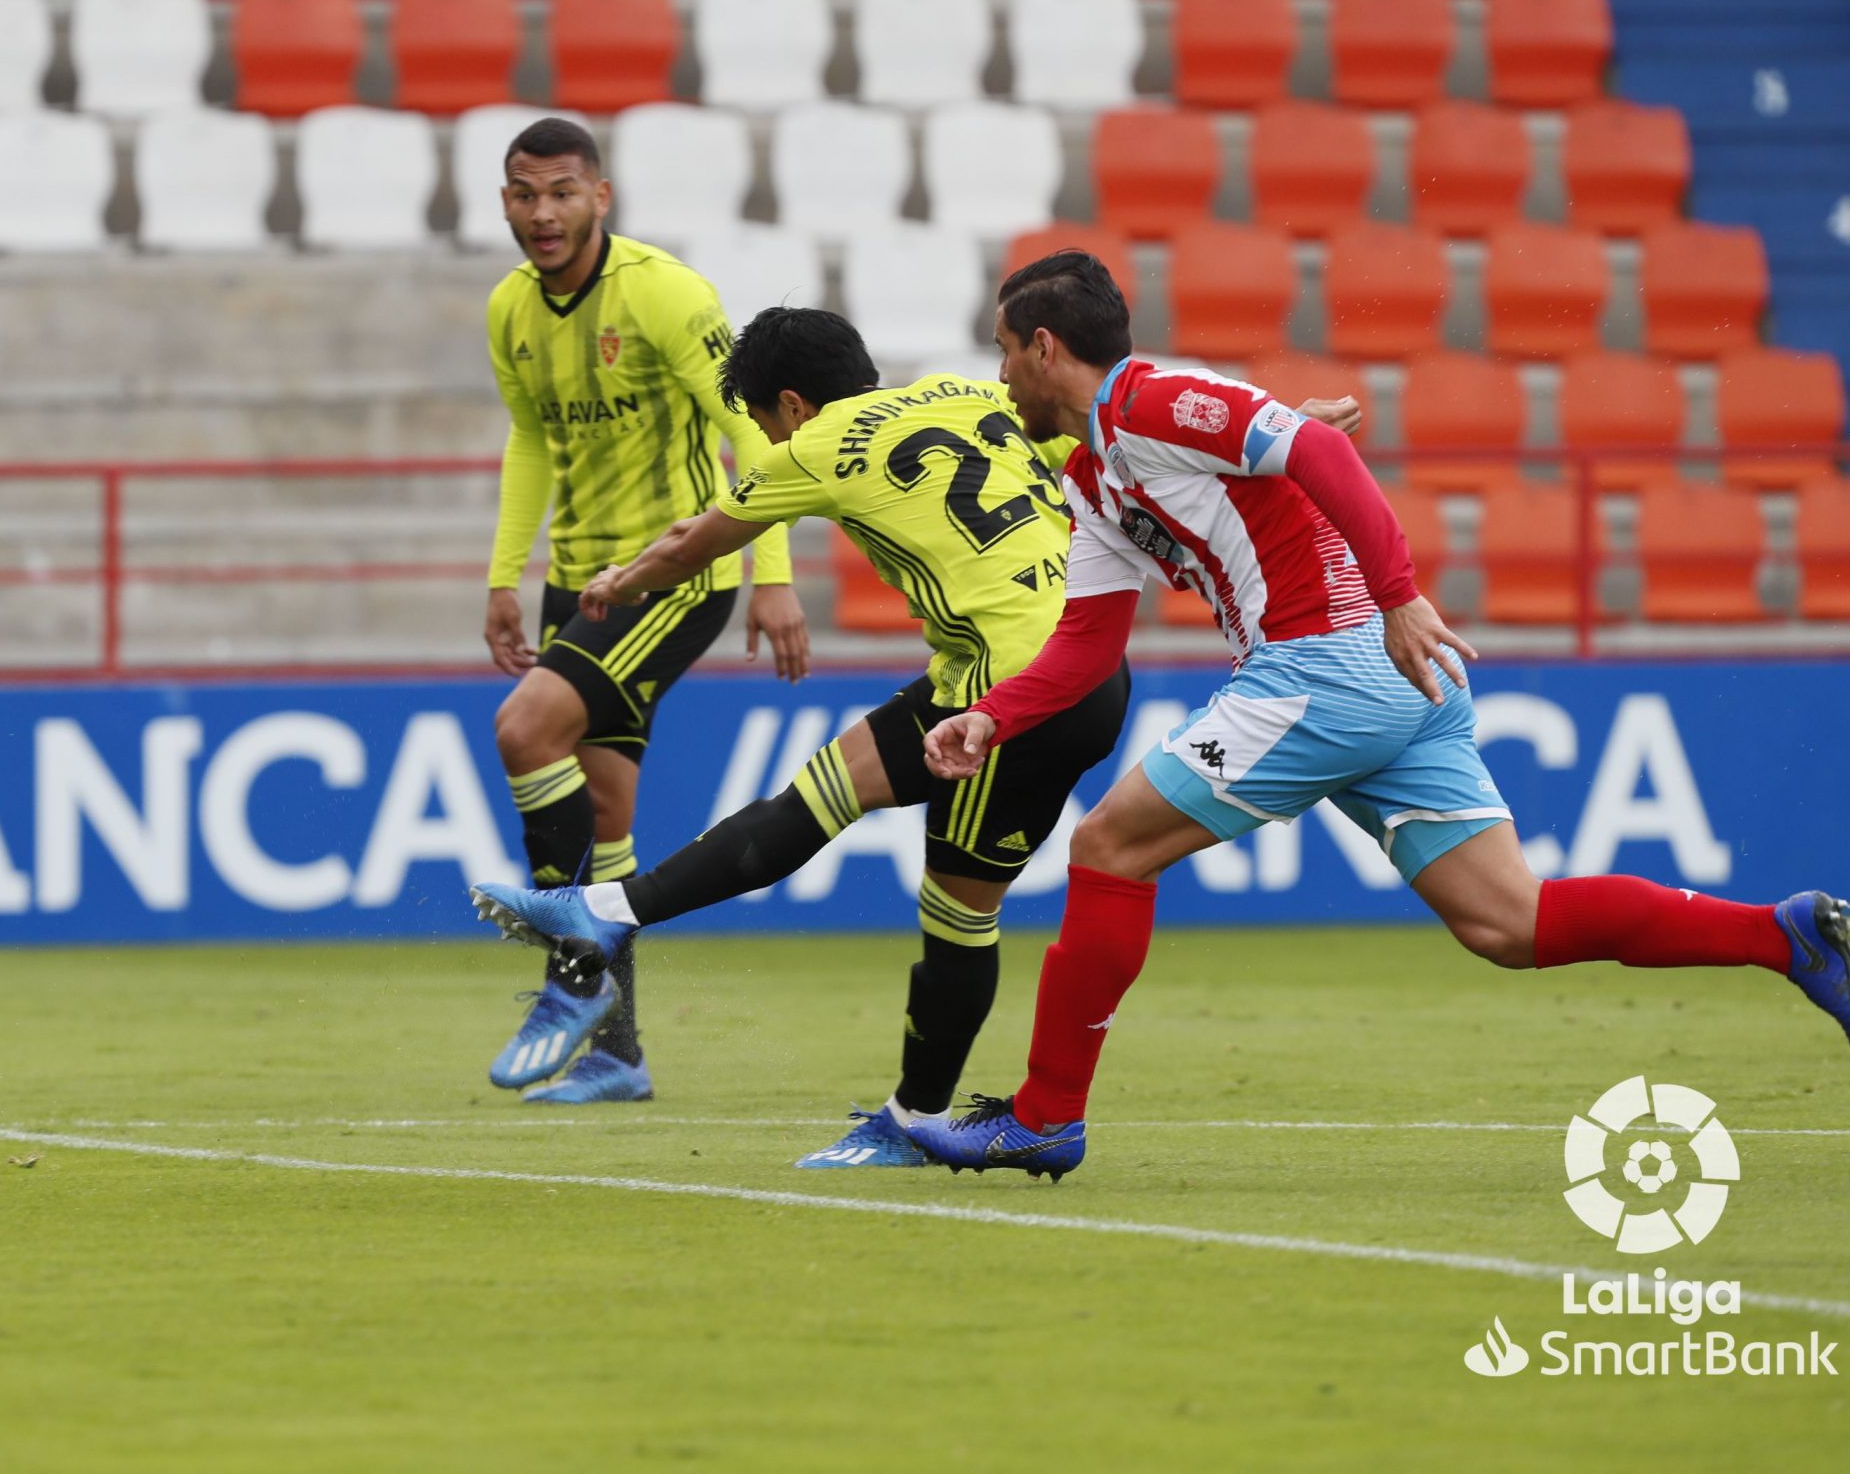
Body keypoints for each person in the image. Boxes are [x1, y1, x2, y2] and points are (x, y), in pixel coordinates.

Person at [901, 249, 1850, 1179]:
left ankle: (1041, 1121)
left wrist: (1400, 590)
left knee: (1109, 847)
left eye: (1002, 352)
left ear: (1043, 348)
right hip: (1391, 684)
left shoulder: (1149, 400)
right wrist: (993, 715)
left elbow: (1317, 446)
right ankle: (1782, 935)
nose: (1001, 378)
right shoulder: (1094, 477)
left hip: (1323, 668)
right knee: (1508, 923)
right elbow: (1085, 644)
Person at [467, 300, 1361, 1164]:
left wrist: (620, 583)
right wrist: (1283, 421)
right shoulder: (970, 394)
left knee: (952, 912)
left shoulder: (817, 442)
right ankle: (611, 916)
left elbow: (699, 542)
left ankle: (908, 1116)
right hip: (1061, 666)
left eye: (772, 426)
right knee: (825, 795)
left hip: (1017, 687)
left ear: (790, 405)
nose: (778, 445)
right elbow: (1116, 429)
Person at [479, 116, 808, 1105]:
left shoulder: (663, 294)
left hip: (674, 577)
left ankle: (570, 979)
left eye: (562, 193)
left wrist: (773, 570)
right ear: (505, 200)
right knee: (608, 816)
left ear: (600, 197)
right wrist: (505, 574)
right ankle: (618, 1052)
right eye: (524, 194)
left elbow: (747, 432)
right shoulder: (507, 311)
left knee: (524, 726)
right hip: (575, 584)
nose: (543, 214)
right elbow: (531, 441)